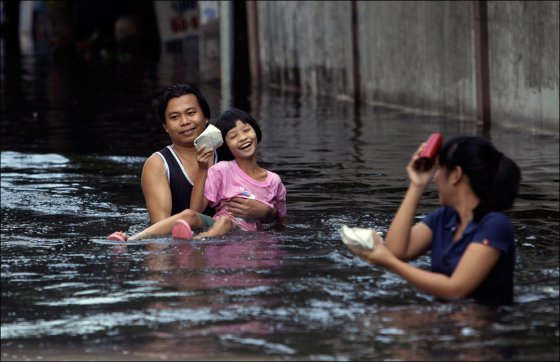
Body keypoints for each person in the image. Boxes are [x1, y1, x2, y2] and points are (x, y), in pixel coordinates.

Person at [345, 135, 522, 305]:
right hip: (447, 317)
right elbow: (397, 251)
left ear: (455, 175)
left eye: (439, 170)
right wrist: (417, 185)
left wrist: (389, 263)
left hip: (484, 326)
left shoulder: (495, 224)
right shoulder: (444, 218)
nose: (435, 177)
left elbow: (456, 290)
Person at [108, 108, 287, 241]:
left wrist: (267, 212)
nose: (242, 138)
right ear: (226, 145)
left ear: (256, 131)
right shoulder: (222, 170)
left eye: (246, 130)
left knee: (226, 222)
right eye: (233, 136)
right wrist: (203, 168)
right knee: (198, 217)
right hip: (221, 225)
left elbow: (282, 224)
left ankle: (196, 241)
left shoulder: (274, 180)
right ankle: (131, 239)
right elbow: (195, 210)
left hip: (249, 235)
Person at [141, 83, 277, 227]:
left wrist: (267, 212)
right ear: (165, 126)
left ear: (205, 116)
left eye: (191, 113)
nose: (185, 122)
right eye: (175, 117)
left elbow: (264, 199)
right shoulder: (158, 165)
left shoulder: (229, 151)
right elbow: (159, 234)